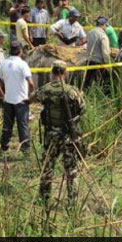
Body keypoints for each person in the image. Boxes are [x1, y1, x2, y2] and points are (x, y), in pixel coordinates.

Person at [31, 59, 86, 202]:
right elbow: (83, 109)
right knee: (71, 170)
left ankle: (44, 198)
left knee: (47, 168)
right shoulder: (72, 91)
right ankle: (72, 201)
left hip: (50, 135)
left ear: (52, 72)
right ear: (65, 73)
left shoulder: (45, 89)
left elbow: (31, 99)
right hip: (68, 136)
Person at [0, 41, 35, 154]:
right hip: (21, 101)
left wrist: (2, 95)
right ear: (20, 51)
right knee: (23, 126)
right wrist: (32, 97)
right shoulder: (23, 65)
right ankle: (25, 151)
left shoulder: (4, 63)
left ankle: (3, 149)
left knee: (7, 126)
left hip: (8, 100)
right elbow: (30, 83)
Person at [84, 16, 111, 90]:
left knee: (87, 82)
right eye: (106, 26)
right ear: (104, 25)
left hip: (89, 61)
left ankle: (85, 97)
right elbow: (105, 53)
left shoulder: (90, 32)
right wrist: (108, 66)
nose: (106, 28)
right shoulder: (103, 36)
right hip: (99, 63)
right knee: (105, 83)